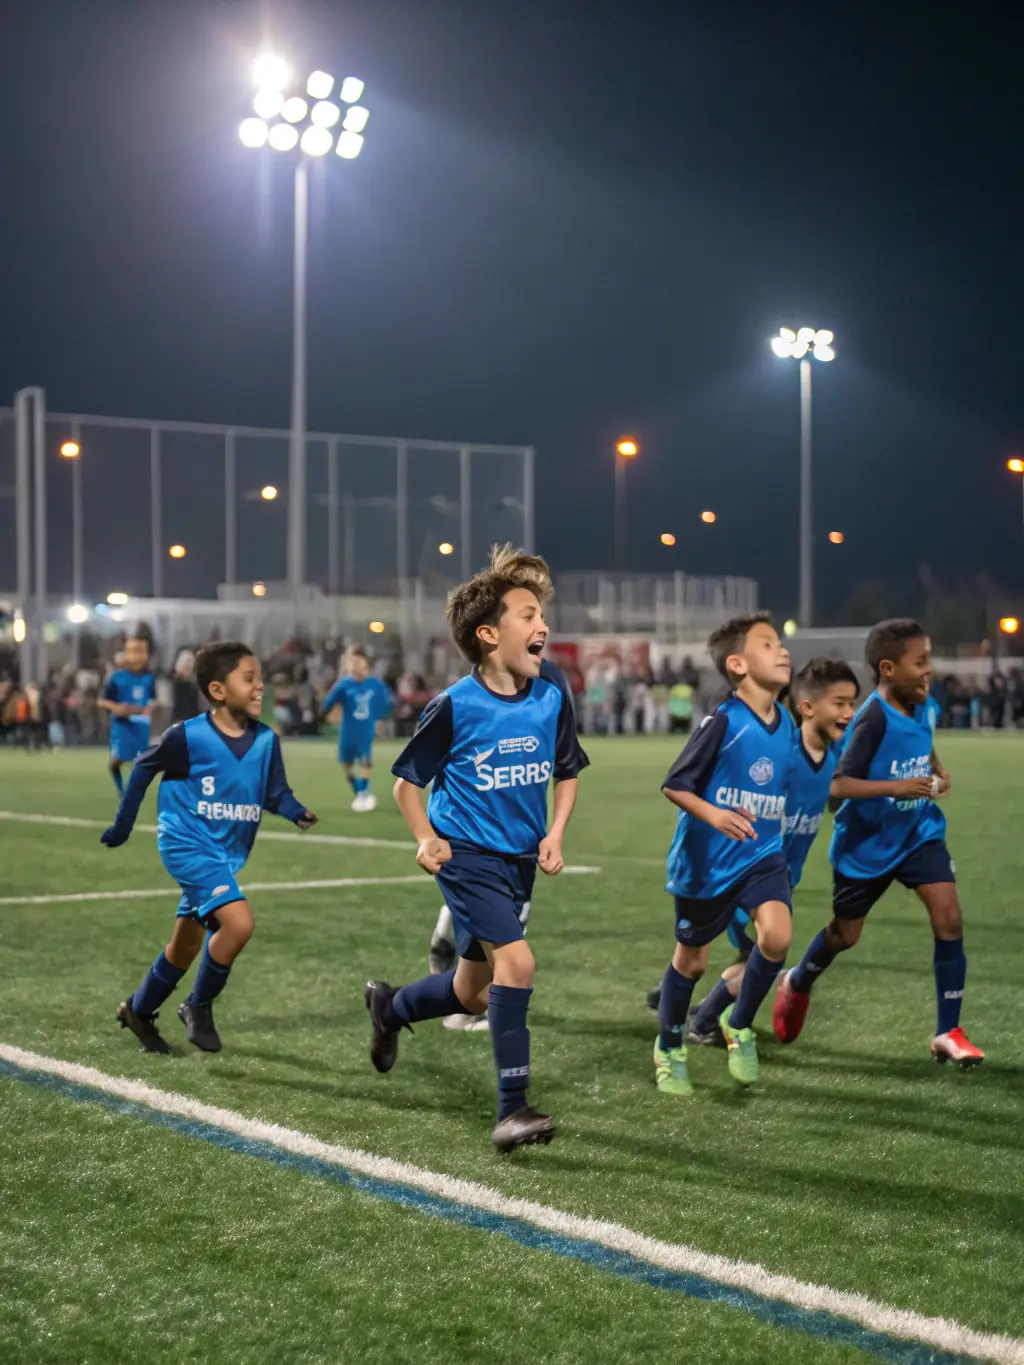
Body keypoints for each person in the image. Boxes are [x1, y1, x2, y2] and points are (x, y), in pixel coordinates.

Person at [364, 544, 588, 1152]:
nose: (542, 626)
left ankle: (391, 1009)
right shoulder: (456, 705)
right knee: (517, 964)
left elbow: (567, 768)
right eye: (527, 616)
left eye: (542, 615)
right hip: (468, 857)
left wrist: (555, 832)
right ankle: (511, 1110)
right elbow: (406, 784)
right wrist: (426, 840)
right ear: (489, 635)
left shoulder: (551, 693)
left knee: (472, 991)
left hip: (518, 860)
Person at [773, 620, 983, 1065]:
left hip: (918, 833)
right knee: (844, 935)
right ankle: (798, 980)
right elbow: (836, 786)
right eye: (919, 661)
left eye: (929, 658)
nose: (929, 669)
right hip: (866, 845)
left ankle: (949, 1030)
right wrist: (895, 786)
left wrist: (936, 768)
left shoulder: (924, 703)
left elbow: (922, 741)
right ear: (888, 668)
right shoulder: (869, 718)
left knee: (949, 919)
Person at [101, 642, 316, 1054]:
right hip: (186, 844)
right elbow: (145, 766)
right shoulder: (188, 736)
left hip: (223, 854)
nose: (259, 687)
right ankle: (197, 1006)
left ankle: (138, 1010)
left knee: (185, 945)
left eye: (260, 679)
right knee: (238, 924)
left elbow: (274, 793)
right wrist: (123, 825)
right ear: (218, 690)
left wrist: (295, 812)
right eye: (248, 679)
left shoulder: (267, 741)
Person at [682, 658, 859, 1044]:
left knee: (755, 957)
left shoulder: (828, 759)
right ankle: (704, 1018)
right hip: (747, 872)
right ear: (807, 707)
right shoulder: (784, 753)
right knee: (761, 956)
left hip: (781, 880)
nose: (849, 713)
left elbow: (833, 794)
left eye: (852, 704)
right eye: (840, 703)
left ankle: (698, 1014)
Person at [654, 612, 793, 1097]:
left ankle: (739, 1024)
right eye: (768, 644)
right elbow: (675, 784)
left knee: (776, 937)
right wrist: (714, 816)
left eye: (781, 643)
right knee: (690, 964)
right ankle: (669, 1047)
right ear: (737, 664)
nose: (782, 650)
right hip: (707, 863)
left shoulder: (787, 721)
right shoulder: (725, 720)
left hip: (761, 854)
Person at [321, 646, 392, 811]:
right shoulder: (344, 684)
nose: (354, 665)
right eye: (351, 661)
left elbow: (385, 704)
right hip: (348, 730)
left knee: (366, 761)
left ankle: (364, 793)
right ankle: (360, 791)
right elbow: (327, 703)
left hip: (365, 728)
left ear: (365, 663)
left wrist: (380, 719)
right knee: (347, 765)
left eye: (357, 661)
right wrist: (329, 710)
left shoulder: (375, 684)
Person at [97, 635, 157, 795]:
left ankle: (131, 792)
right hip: (122, 724)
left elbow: (152, 700)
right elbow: (101, 701)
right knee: (117, 760)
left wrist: (151, 708)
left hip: (141, 724)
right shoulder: (115, 677)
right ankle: (121, 788)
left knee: (140, 761)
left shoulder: (149, 678)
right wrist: (117, 707)